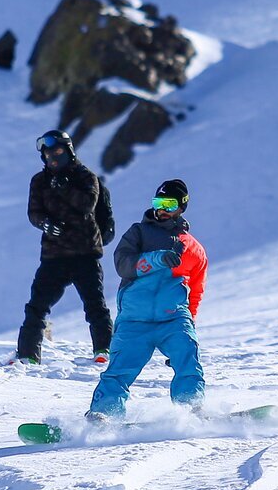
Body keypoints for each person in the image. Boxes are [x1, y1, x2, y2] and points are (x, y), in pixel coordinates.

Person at [87, 179, 208, 419]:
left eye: (169, 204)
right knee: (119, 369)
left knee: (187, 357)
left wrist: (188, 322)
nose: (161, 209)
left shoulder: (194, 249)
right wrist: (157, 259)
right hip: (135, 320)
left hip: (173, 319)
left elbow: (195, 291)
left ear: (181, 208)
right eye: (158, 203)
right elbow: (123, 265)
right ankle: (105, 414)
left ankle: (190, 410)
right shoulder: (138, 233)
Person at [15, 130, 113, 364]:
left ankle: (104, 351)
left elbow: (88, 205)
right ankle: (28, 355)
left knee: (95, 306)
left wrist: (65, 187)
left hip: (85, 253)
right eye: (48, 154)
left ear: (68, 151)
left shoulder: (86, 176)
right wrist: (45, 224)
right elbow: (33, 212)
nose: (52, 158)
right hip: (54, 255)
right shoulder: (39, 181)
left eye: (57, 152)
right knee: (37, 306)